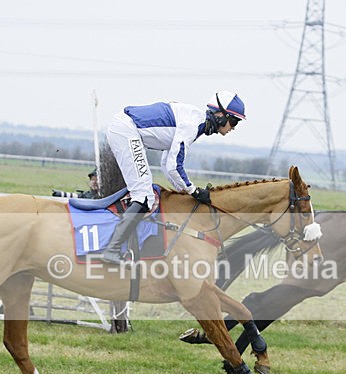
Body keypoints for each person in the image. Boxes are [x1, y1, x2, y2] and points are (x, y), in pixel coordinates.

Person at [101, 90, 245, 264]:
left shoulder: (196, 122)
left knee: (144, 194)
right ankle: (112, 250)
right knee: (143, 195)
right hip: (125, 130)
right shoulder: (192, 124)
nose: (234, 127)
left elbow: (166, 165)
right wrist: (194, 191)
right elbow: (174, 166)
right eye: (234, 121)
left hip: (124, 129)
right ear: (221, 115)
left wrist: (184, 192)